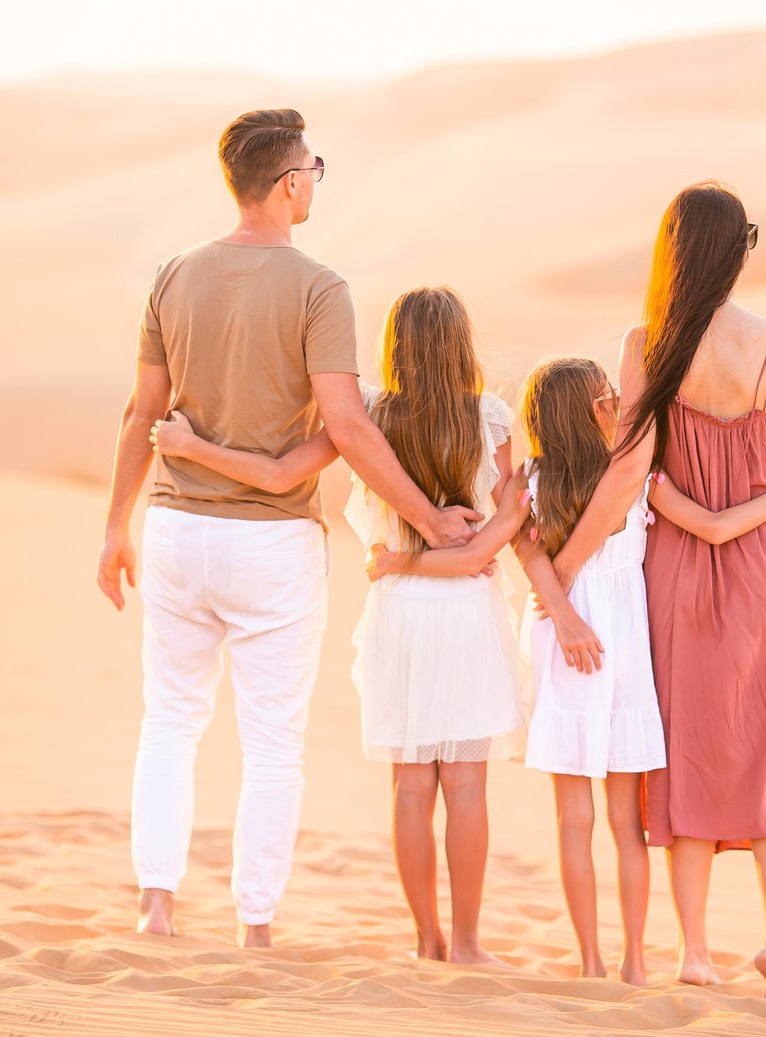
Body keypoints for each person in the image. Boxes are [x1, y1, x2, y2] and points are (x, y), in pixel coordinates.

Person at [95, 108, 479, 949]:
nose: (315, 178)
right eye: (312, 165)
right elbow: (346, 425)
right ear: (287, 182)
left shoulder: (172, 276)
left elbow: (141, 414)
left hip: (176, 529)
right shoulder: (319, 287)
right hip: (271, 542)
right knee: (273, 742)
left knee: (169, 720)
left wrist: (114, 524)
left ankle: (156, 904)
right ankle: (254, 922)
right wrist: (428, 519)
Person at [367, 355, 766, 985]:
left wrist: (395, 563)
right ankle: (633, 964)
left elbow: (484, 553)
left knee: (574, 823)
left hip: (564, 655)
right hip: (623, 656)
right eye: (608, 396)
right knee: (627, 826)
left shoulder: (530, 489)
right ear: (597, 408)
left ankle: (592, 962)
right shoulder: (636, 476)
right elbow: (710, 525)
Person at [155, 285, 519, 965]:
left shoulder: (370, 415)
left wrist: (189, 445)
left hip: (402, 616)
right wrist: (474, 551)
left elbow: (283, 469)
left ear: (396, 349)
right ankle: (467, 943)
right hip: (468, 609)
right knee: (466, 784)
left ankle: (426, 940)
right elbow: (513, 512)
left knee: (412, 785)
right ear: (462, 345)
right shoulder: (489, 417)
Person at [546, 182, 766, 998]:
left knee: (689, 756)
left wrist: (565, 562)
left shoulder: (650, 343)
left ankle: (697, 951)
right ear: (740, 250)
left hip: (675, 575)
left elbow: (633, 470)